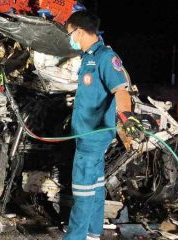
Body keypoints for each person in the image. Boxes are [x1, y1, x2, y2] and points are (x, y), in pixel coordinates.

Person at [64, 11, 143, 240]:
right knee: (95, 185)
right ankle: (92, 232)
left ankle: (75, 236)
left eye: (70, 33)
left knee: (82, 188)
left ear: (79, 31)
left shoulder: (105, 57)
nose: (70, 38)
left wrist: (127, 120)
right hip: (87, 133)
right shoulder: (88, 57)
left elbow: (120, 89)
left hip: (93, 135)